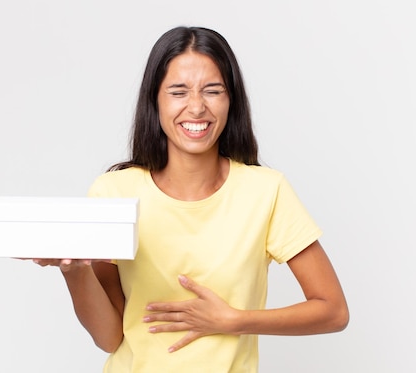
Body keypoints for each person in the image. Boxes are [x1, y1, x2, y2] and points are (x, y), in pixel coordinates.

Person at [32, 26, 349, 372]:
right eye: (178, 92)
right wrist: (74, 272)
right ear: (155, 100)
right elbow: (109, 338)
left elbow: (333, 310)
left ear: (232, 100)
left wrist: (233, 320)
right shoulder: (114, 193)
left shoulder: (265, 191)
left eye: (212, 91)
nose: (196, 107)